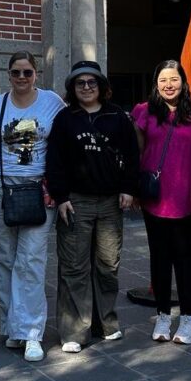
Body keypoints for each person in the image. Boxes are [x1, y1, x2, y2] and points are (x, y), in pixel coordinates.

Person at [45, 60, 139, 353]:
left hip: (111, 201)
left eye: (92, 82)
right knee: (74, 266)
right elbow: (55, 161)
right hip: (76, 200)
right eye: (80, 83)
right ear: (72, 88)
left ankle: (106, 322)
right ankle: (75, 330)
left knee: (108, 265)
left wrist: (128, 189)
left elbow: (132, 155)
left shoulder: (118, 117)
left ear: (101, 86)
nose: (86, 87)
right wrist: (61, 197)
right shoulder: (65, 119)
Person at [0, 51, 65, 362]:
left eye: (27, 73)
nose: (22, 78)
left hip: (38, 188)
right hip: (0, 187)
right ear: (9, 75)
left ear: (37, 75)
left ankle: (32, 333)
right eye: (16, 73)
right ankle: (11, 327)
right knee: (6, 258)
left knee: (31, 260)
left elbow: (63, 146)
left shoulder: (52, 103)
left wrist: (58, 188)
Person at [131, 60, 191, 345]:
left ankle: (188, 318)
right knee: (159, 257)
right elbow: (137, 153)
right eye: (163, 80)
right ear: (156, 83)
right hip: (155, 196)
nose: (168, 85)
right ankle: (163, 314)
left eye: (173, 79)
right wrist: (135, 188)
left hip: (186, 196)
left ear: (182, 82)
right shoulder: (143, 112)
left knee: (185, 258)